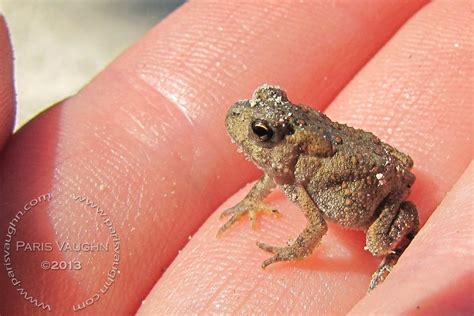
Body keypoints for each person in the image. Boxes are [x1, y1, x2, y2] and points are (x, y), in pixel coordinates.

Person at [0, 1, 472, 314]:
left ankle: (397, 252)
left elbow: (315, 226)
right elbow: (276, 171)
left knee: (374, 245)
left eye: (261, 132)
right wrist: (255, 198)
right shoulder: (287, 164)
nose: (246, 124)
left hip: (382, 197)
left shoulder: (302, 172)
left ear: (286, 140)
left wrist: (290, 253)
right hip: (368, 156)